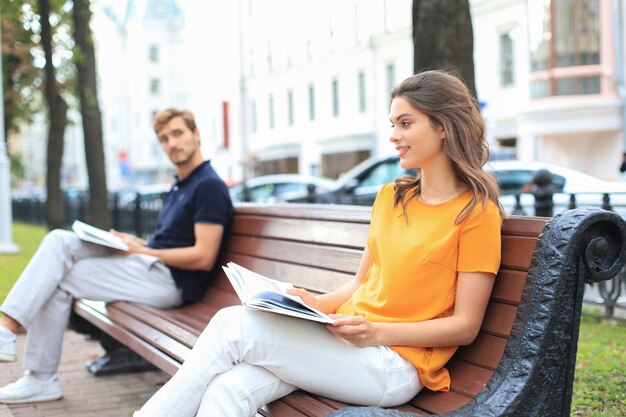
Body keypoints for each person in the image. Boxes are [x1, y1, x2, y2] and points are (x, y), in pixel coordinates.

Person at [135, 70, 504, 417]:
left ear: (442, 126)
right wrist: (311, 305)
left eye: (406, 123)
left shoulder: (475, 213)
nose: (394, 135)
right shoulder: (391, 197)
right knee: (228, 389)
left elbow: (465, 326)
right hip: (347, 345)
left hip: (395, 364)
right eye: (393, 124)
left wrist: (376, 332)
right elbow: (360, 284)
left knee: (233, 327)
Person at [0, 108, 233, 404]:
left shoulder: (208, 186)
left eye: (178, 134)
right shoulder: (182, 184)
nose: (172, 143)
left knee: (57, 274)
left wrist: (144, 250)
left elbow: (203, 256)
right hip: (151, 265)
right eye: (164, 138)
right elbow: (172, 240)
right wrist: (135, 243)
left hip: (169, 283)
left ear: (196, 134)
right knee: (59, 243)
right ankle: (23, 354)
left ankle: (33, 369)